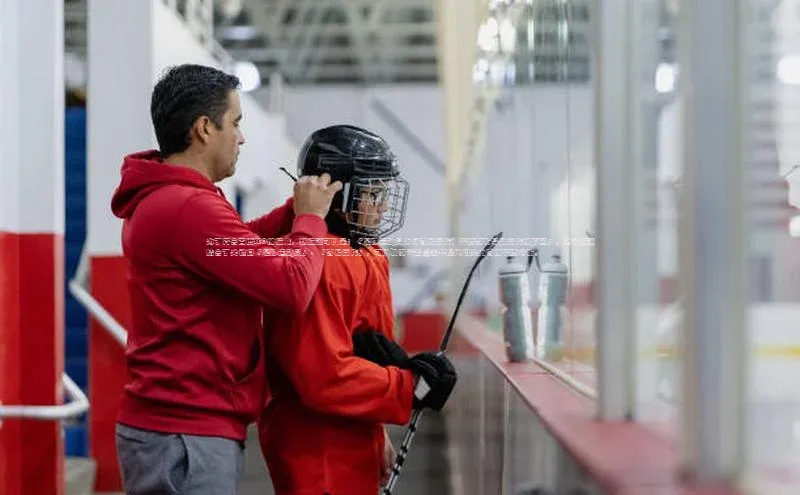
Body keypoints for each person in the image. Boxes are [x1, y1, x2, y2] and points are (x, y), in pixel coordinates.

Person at [109, 63, 342, 495]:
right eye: (235, 122)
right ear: (204, 128)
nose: (242, 136)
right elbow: (292, 287)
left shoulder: (169, 199)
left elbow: (233, 246)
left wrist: (292, 212)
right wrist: (310, 220)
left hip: (177, 429)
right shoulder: (188, 207)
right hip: (186, 435)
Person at [258, 124, 458, 495]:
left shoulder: (368, 253)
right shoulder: (318, 260)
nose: (383, 205)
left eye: (384, 192)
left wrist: (376, 428)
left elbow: (366, 352)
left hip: (352, 437)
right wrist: (407, 387)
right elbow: (322, 377)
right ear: (337, 196)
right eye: (373, 193)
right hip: (317, 449)